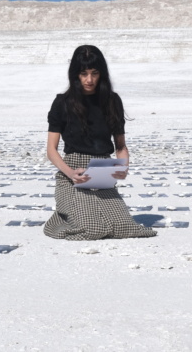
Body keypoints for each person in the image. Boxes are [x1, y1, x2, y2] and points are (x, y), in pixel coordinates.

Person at [43, 45, 157, 240]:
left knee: (123, 228)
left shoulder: (112, 101)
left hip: (102, 173)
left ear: (101, 74)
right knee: (93, 229)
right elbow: (51, 150)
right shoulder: (63, 102)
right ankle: (61, 217)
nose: (89, 80)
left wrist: (123, 167)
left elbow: (120, 146)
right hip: (73, 175)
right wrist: (70, 173)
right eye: (84, 73)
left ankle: (71, 214)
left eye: (94, 73)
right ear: (75, 75)